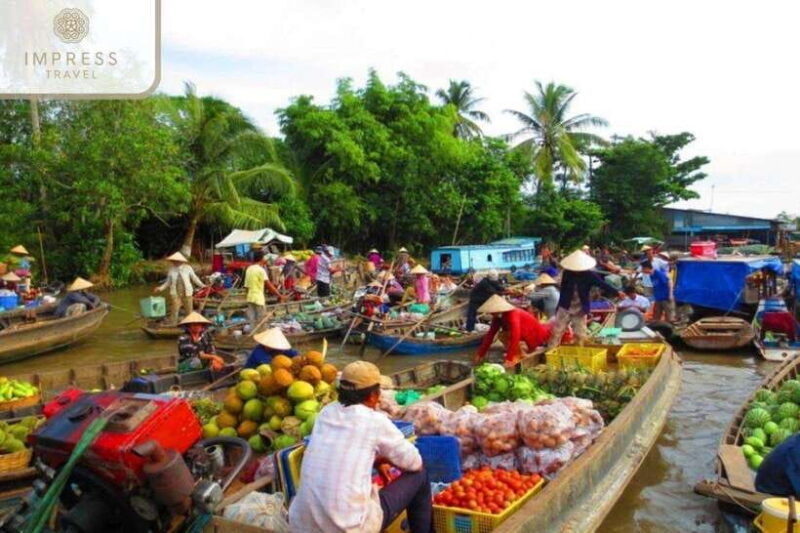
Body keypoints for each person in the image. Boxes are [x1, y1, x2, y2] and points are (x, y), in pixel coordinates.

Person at [289, 361, 432, 533]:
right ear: (373, 395)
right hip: (349, 528)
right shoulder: (374, 421)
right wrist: (385, 458)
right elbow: (414, 462)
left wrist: (377, 460)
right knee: (421, 475)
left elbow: (342, 453)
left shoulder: (325, 413)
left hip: (302, 525)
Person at [548, 250, 626, 348]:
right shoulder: (567, 273)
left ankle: (580, 352)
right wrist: (559, 306)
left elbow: (602, 284)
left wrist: (617, 292)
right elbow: (563, 289)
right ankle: (550, 351)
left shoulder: (590, 275)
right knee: (557, 331)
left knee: (580, 334)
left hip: (580, 307)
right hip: (565, 305)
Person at [474, 295, 551, 367]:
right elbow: (490, 334)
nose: (491, 314)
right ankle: (519, 353)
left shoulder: (513, 314)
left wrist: (509, 358)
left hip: (533, 333)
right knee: (503, 334)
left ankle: (522, 354)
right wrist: (481, 353)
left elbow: (515, 336)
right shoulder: (497, 317)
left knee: (509, 335)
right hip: (523, 333)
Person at [154, 252, 205, 325]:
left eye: (177, 261)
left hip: (187, 292)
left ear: (181, 261)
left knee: (189, 310)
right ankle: (173, 325)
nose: (175, 262)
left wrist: (203, 286)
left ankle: (189, 324)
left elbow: (195, 278)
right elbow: (168, 282)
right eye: (174, 261)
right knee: (174, 309)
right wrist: (160, 288)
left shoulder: (187, 268)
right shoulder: (171, 269)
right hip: (175, 293)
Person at [244, 250, 283, 326]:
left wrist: (248, 296)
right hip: (258, 299)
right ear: (262, 259)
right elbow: (269, 286)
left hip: (250, 298)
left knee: (253, 322)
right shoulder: (261, 270)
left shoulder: (249, 269)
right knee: (261, 322)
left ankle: (254, 336)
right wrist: (280, 295)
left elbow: (246, 287)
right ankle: (260, 335)